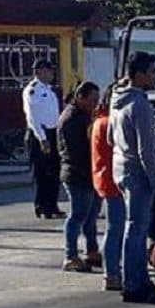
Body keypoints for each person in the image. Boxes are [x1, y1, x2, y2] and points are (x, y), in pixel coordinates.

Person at [109, 51, 155, 306]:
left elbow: (108, 138)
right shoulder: (140, 105)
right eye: (152, 72)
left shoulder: (117, 100)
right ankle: (135, 285)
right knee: (137, 230)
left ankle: (136, 280)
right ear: (138, 75)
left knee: (132, 227)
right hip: (137, 173)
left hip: (120, 169)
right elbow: (145, 151)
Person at [57, 81, 101, 272]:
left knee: (91, 215)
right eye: (93, 100)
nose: (96, 104)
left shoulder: (83, 115)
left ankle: (91, 250)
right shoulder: (73, 118)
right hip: (77, 174)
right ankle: (70, 255)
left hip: (88, 173)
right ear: (80, 97)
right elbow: (79, 151)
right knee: (78, 215)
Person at [91, 83, 126, 291]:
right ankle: (111, 272)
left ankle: (113, 270)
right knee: (115, 230)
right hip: (113, 181)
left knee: (116, 229)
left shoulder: (101, 121)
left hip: (106, 180)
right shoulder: (108, 123)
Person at [22, 59, 63, 219]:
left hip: (52, 133)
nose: (52, 73)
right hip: (39, 134)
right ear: (39, 71)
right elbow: (33, 117)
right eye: (48, 70)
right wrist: (42, 138)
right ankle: (42, 206)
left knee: (54, 171)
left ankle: (52, 205)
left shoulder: (50, 90)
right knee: (41, 173)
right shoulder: (32, 91)